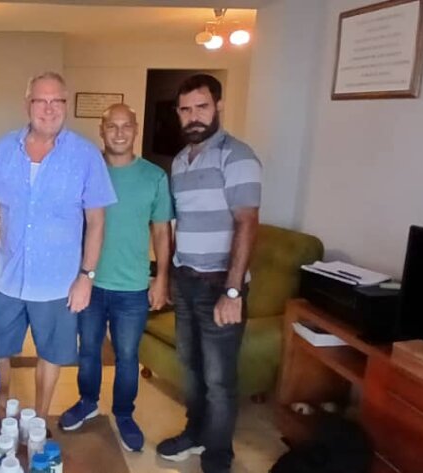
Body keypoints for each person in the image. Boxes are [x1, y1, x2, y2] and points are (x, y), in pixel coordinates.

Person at [0, 71, 117, 421]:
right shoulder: (3, 149)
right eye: (41, 100)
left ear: (65, 105)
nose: (49, 109)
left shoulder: (85, 156)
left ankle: (39, 418)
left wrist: (86, 276)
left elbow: (96, 221)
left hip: (58, 283)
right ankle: (1, 414)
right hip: (7, 278)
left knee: (51, 355)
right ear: (28, 104)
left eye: (57, 101)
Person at [155, 74, 262, 473]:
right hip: (186, 280)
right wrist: (169, 276)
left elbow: (247, 222)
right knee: (191, 368)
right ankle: (195, 433)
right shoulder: (180, 161)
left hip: (220, 284)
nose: (193, 117)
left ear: (218, 106)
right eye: (185, 110)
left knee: (219, 379)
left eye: (201, 107)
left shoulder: (237, 156)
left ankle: (218, 455)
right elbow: (180, 224)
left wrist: (232, 292)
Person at [58, 104, 172, 452]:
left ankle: (124, 414)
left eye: (126, 126)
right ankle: (88, 401)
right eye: (112, 126)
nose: (119, 133)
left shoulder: (154, 177)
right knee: (89, 351)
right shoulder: (86, 171)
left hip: (132, 287)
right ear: (101, 130)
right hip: (89, 283)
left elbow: (162, 231)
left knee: (126, 356)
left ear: (136, 129)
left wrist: (162, 278)